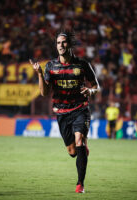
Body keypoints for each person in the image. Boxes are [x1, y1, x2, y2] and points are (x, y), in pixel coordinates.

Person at [30, 30, 100, 193]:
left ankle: (80, 184)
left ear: (70, 45)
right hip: (61, 112)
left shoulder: (82, 65)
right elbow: (44, 92)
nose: (61, 45)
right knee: (72, 151)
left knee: (79, 140)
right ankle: (81, 150)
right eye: (58, 43)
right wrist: (40, 74)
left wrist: (90, 91)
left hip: (80, 109)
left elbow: (96, 86)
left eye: (64, 42)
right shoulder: (51, 66)